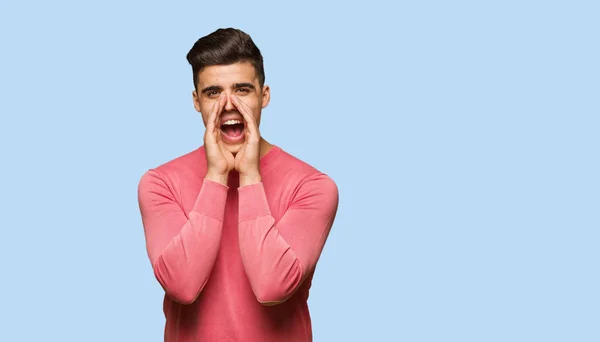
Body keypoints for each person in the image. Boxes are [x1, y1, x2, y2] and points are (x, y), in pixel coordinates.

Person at [137, 28, 339, 341]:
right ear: (196, 101)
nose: (228, 105)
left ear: (265, 95)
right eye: (213, 92)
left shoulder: (312, 187)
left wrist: (249, 174)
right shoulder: (160, 183)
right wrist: (216, 176)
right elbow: (182, 286)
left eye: (242, 90)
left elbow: (272, 285)